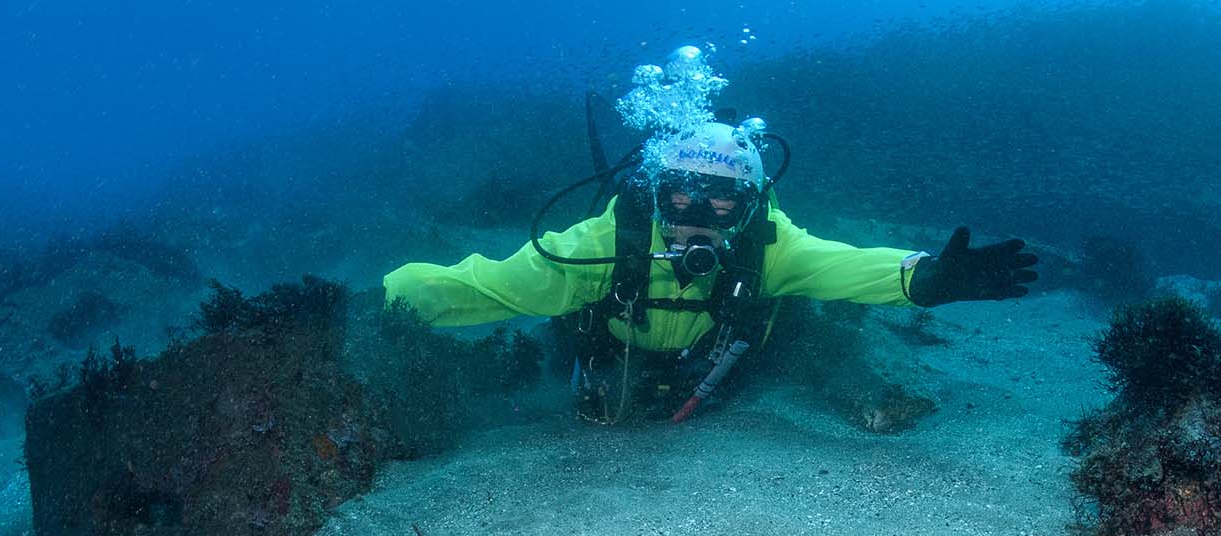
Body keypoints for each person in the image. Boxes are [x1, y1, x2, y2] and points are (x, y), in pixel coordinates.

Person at [383, 120, 1037, 423]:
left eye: (722, 200)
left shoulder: (769, 248)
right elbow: (484, 283)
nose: (699, 215)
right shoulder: (596, 247)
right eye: (681, 197)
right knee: (532, 357)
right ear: (656, 193)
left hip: (710, 362)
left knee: (794, 332)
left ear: (750, 205)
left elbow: (844, 266)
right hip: (601, 349)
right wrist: (380, 303)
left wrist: (927, 280)